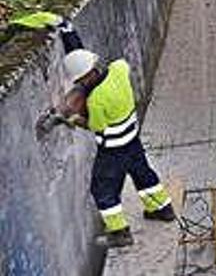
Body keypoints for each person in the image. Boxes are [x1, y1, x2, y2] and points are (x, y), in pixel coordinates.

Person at [12, 12, 176, 248]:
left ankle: (119, 232)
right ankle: (162, 209)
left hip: (113, 149)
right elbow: (90, 62)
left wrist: (71, 119)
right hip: (132, 138)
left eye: (80, 81)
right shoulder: (117, 70)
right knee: (143, 175)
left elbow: (96, 126)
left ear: (88, 77)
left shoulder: (97, 100)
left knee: (102, 188)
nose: (78, 84)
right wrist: (66, 30)